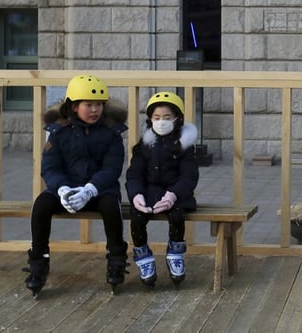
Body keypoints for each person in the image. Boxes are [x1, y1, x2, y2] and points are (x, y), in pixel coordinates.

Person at [23, 74, 129, 297]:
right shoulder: (58, 133)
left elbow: (112, 169)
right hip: (67, 191)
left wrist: (90, 189)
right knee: (41, 204)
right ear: (73, 106)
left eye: (99, 105)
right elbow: (50, 167)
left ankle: (116, 259)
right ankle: (38, 262)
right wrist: (62, 189)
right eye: (88, 105)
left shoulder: (112, 133)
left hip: (99, 191)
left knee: (112, 206)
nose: (94, 110)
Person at [126, 91, 200, 288]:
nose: (162, 122)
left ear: (177, 119)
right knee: (137, 216)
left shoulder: (185, 145)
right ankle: (143, 255)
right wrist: (136, 195)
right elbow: (134, 174)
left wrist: (173, 194)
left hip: (177, 194)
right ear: (150, 119)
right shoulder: (144, 145)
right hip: (149, 192)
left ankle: (175, 253)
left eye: (167, 118)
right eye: (157, 118)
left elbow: (189, 176)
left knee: (177, 215)